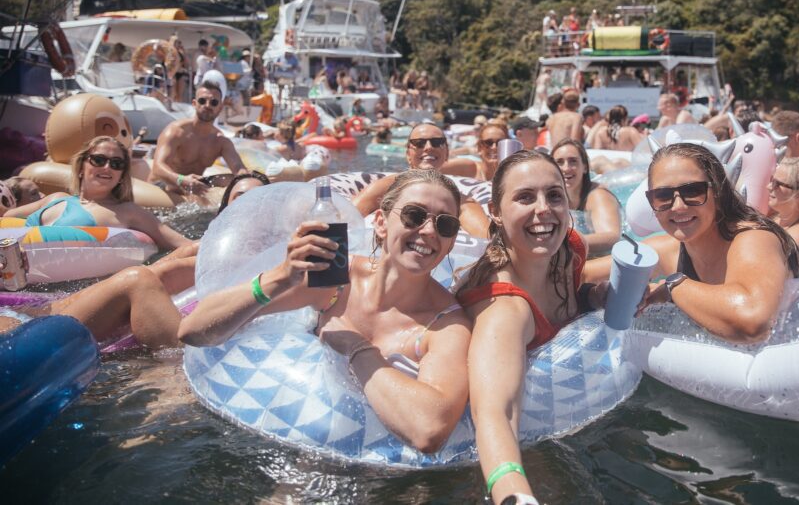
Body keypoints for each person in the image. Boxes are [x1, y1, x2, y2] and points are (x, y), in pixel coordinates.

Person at [179, 169, 472, 454]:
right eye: (414, 215)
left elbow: (429, 431)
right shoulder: (335, 281)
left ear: (452, 242)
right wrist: (281, 276)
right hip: (290, 442)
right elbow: (193, 330)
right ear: (381, 222)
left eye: (446, 225)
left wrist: (357, 349)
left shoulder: (446, 324)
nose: (430, 231)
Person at [454, 151, 613, 503]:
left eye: (554, 195)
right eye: (525, 197)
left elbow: (574, 290)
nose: (544, 209)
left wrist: (591, 296)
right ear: (495, 210)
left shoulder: (567, 248)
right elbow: (496, 411)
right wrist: (514, 494)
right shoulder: (504, 310)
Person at [0, 172, 270, 348]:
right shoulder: (209, 252)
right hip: (68, 315)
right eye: (242, 198)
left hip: (80, 310)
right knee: (138, 279)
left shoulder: (256, 259)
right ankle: (171, 383)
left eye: (261, 200)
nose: (251, 206)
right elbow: (160, 272)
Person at [585, 143, 799, 344]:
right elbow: (579, 274)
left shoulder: (753, 238)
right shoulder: (668, 250)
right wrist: (596, 294)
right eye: (663, 196)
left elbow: (753, 323)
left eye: (692, 191)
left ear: (718, 193)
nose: (678, 206)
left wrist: (674, 286)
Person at [4, 136, 187, 250]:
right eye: (98, 160)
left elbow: (182, 243)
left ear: (121, 176)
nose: (107, 167)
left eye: (116, 164)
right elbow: (6, 216)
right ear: (82, 166)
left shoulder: (128, 211)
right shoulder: (55, 198)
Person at [352, 123, 490, 237]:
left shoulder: (460, 201)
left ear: (447, 153)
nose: (428, 147)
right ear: (408, 154)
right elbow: (347, 217)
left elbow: (488, 238)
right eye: (419, 143)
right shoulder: (388, 186)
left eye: (437, 142)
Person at [149, 81, 247, 199]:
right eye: (202, 101)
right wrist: (181, 180)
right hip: (160, 188)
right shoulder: (176, 131)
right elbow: (158, 168)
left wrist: (246, 180)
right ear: (194, 104)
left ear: (220, 108)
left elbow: (239, 169)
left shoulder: (221, 142)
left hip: (188, 194)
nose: (207, 105)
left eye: (214, 102)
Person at [551, 139, 623, 254]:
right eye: (559, 162)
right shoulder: (554, 197)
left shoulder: (598, 196)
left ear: (585, 167)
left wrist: (560, 244)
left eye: (573, 161)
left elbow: (611, 237)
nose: (566, 168)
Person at [442, 123, 509, 181]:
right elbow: (433, 168)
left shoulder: (513, 175)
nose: (494, 147)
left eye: (500, 143)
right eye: (488, 142)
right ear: (479, 148)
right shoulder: (468, 167)